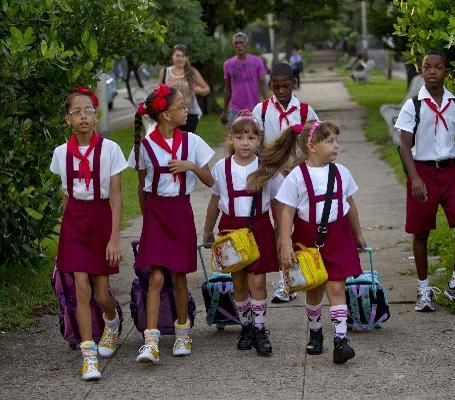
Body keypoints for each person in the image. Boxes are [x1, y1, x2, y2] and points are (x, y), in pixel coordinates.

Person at [248, 120, 366, 364]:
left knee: (336, 287)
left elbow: (350, 205)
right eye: (330, 141)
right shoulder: (296, 176)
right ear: (312, 146)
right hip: (306, 237)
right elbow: (287, 212)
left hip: (339, 234)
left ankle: (340, 340)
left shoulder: (342, 172)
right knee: (314, 288)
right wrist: (285, 242)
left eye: (336, 140)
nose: (336, 146)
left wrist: (358, 234)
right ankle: (315, 331)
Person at [129, 84, 214, 363]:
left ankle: (182, 333)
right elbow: (142, 188)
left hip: (180, 212)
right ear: (165, 115)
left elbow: (212, 181)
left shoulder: (192, 142)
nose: (186, 110)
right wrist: (147, 219)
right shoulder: (143, 147)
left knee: (178, 276)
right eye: (181, 107)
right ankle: (150, 341)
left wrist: (191, 166)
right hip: (155, 215)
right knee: (154, 276)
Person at [50, 86, 127, 380]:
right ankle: (89, 356)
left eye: (89, 111)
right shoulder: (60, 154)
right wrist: (62, 232)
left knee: (101, 293)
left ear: (96, 116)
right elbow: (66, 196)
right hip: (74, 223)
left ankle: (111, 320)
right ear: (68, 119)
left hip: (99, 219)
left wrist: (113, 238)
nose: (83, 116)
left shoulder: (110, 150)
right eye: (76, 112)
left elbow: (117, 197)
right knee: (81, 290)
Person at [395, 50, 455, 312]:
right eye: (427, 67)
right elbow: (405, 145)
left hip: (451, 172)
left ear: (446, 71)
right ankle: (423, 289)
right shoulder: (414, 105)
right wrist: (415, 178)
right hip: (423, 173)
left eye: (438, 67)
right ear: (421, 71)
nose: (432, 71)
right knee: (421, 232)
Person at [202, 111, 282, 357]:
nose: (245, 142)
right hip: (229, 227)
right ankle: (246, 325)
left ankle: (259, 328)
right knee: (238, 282)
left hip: (258, 226)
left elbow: (278, 203)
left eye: (250, 137)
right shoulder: (221, 167)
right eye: (239, 137)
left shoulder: (266, 168)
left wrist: (282, 234)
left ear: (259, 140)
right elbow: (216, 200)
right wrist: (207, 230)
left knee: (257, 280)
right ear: (231, 140)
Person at [252, 62, 318, 302]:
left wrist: (298, 162)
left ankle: (305, 270)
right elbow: (254, 142)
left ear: (293, 84)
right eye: (277, 86)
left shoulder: (305, 111)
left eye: (286, 86)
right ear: (270, 85)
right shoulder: (260, 111)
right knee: (281, 226)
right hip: (274, 176)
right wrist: (271, 162)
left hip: (299, 174)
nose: (281, 91)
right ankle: (285, 281)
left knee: (304, 225)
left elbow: (315, 140)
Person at [221, 32, 268, 128]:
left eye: (241, 43)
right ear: (233, 45)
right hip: (236, 109)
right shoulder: (228, 64)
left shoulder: (256, 61)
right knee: (234, 137)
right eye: (236, 43)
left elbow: (263, 83)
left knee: (256, 136)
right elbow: (227, 88)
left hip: (254, 107)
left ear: (247, 44)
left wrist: (267, 104)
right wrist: (224, 110)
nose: (239, 46)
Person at [160, 44, 210, 133]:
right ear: (172, 56)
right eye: (177, 55)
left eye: (183, 56)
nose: (180, 59)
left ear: (187, 58)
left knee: (186, 143)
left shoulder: (192, 72)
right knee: (172, 142)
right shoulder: (165, 72)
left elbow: (207, 89)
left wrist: (199, 90)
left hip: (189, 114)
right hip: (170, 114)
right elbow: (158, 92)